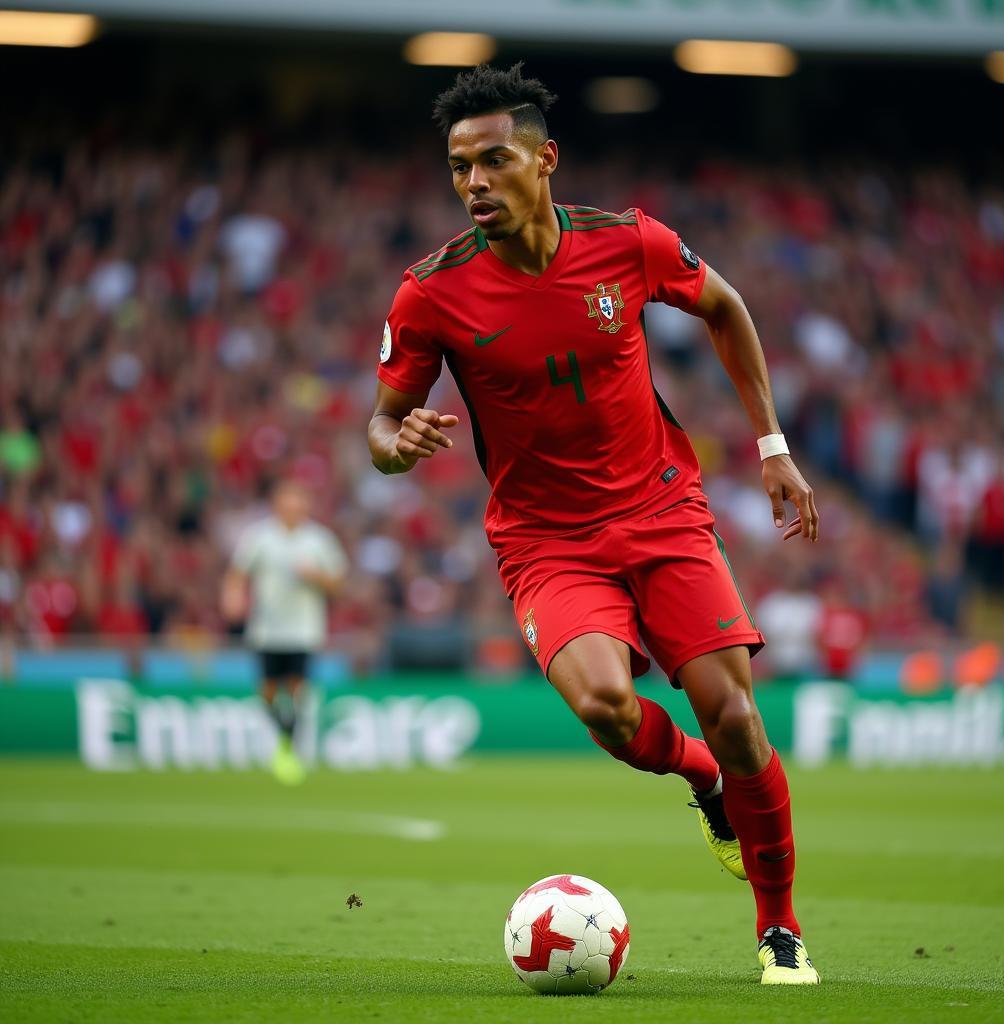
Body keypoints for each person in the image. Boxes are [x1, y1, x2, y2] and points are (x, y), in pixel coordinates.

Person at [368, 64, 820, 984]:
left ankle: (780, 930)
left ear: (546, 160)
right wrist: (396, 437)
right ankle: (701, 779)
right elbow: (378, 426)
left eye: (494, 161)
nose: (475, 184)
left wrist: (771, 443)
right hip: (545, 539)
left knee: (737, 717)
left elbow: (727, 308)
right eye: (459, 168)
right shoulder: (431, 292)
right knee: (609, 709)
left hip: (661, 507)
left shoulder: (628, 243)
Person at [221, 479, 346, 784]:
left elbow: (338, 583)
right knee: (267, 694)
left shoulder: (319, 540)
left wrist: (317, 576)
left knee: (296, 692)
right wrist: (233, 596)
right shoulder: (260, 537)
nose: (292, 508)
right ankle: (284, 742)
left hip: (303, 630)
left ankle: (286, 750)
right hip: (266, 629)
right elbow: (237, 574)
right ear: (277, 505)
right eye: (287, 502)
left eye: (298, 502)